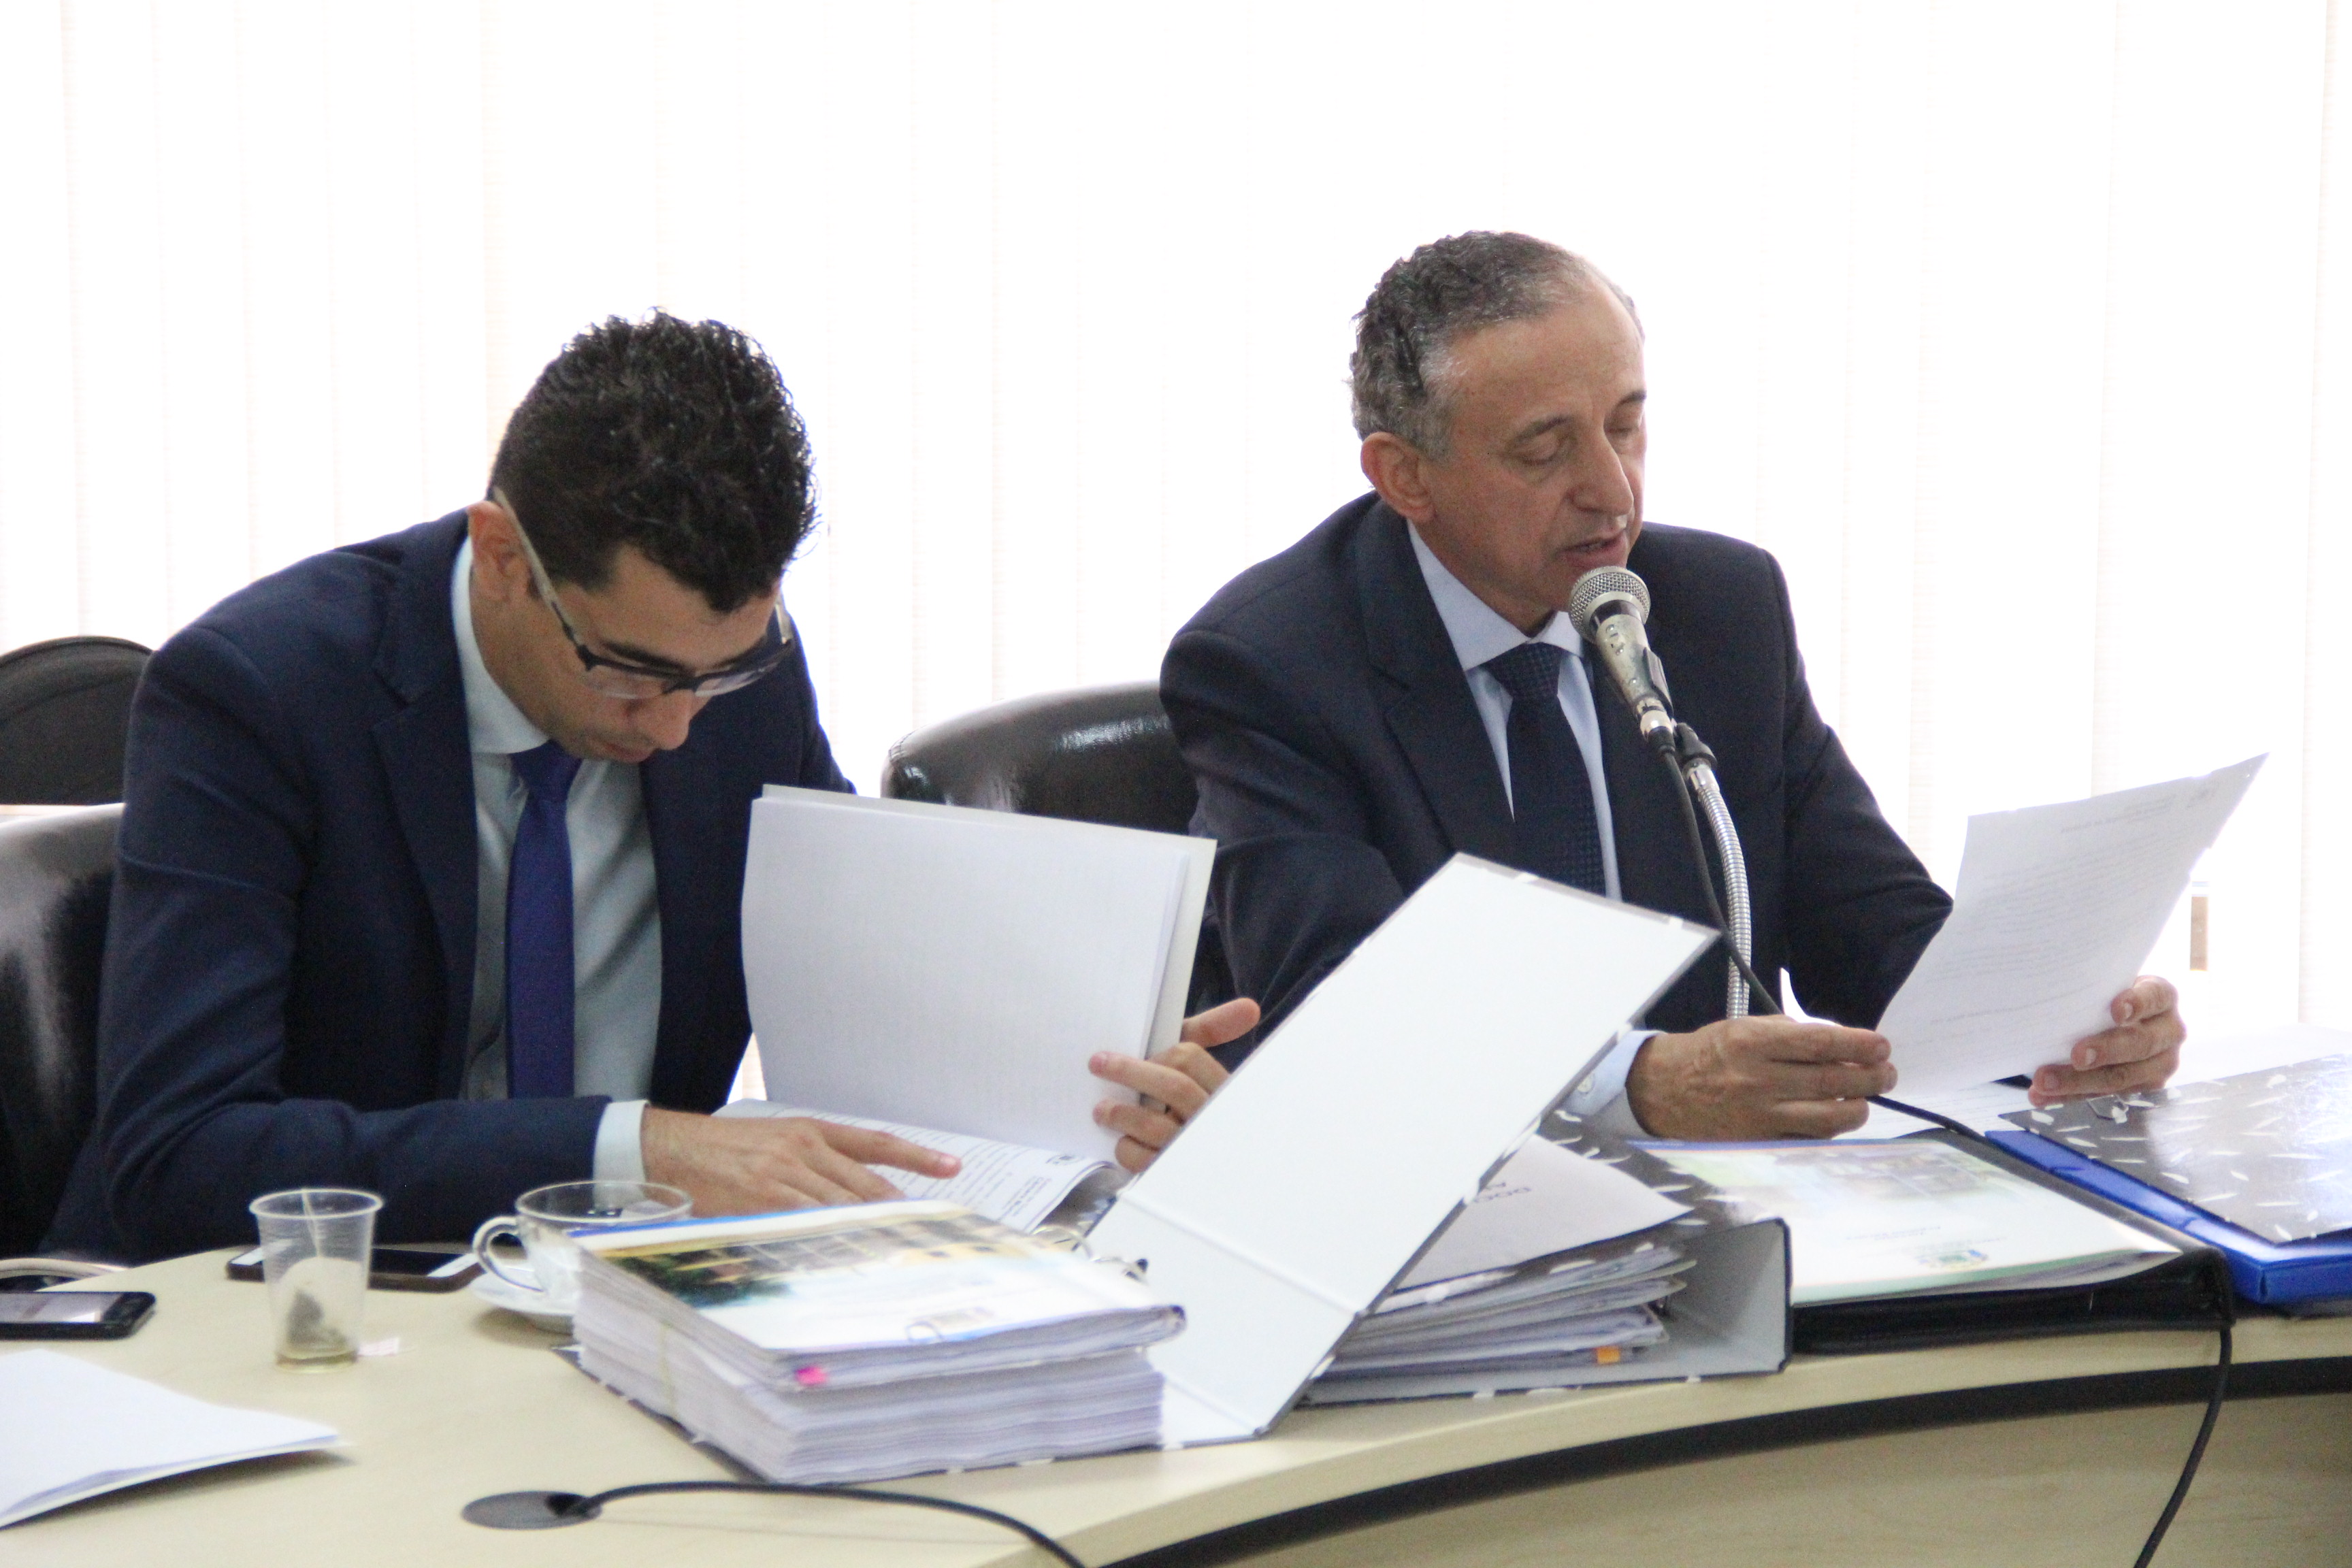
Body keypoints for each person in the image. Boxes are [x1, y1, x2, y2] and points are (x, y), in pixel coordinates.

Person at [50, 312, 1250, 1262]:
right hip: (305, 1314)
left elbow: (865, 981)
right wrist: (630, 1150)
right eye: (629, 673)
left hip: (630, 1297)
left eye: (719, 674)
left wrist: (1095, 1067)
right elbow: (181, 1154)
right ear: (504, 556)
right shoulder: (259, 695)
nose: (677, 728)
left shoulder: (737, 682)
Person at [1159, 232, 2180, 1141]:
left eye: (1626, 426)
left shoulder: (1718, 607)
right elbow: (1342, 1012)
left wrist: (2064, 1022)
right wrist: (1632, 1084)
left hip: (1749, 1209)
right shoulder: (1273, 664)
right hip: (1453, 1215)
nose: (1613, 490)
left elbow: (1871, 929)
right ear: (1405, 477)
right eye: (1544, 450)